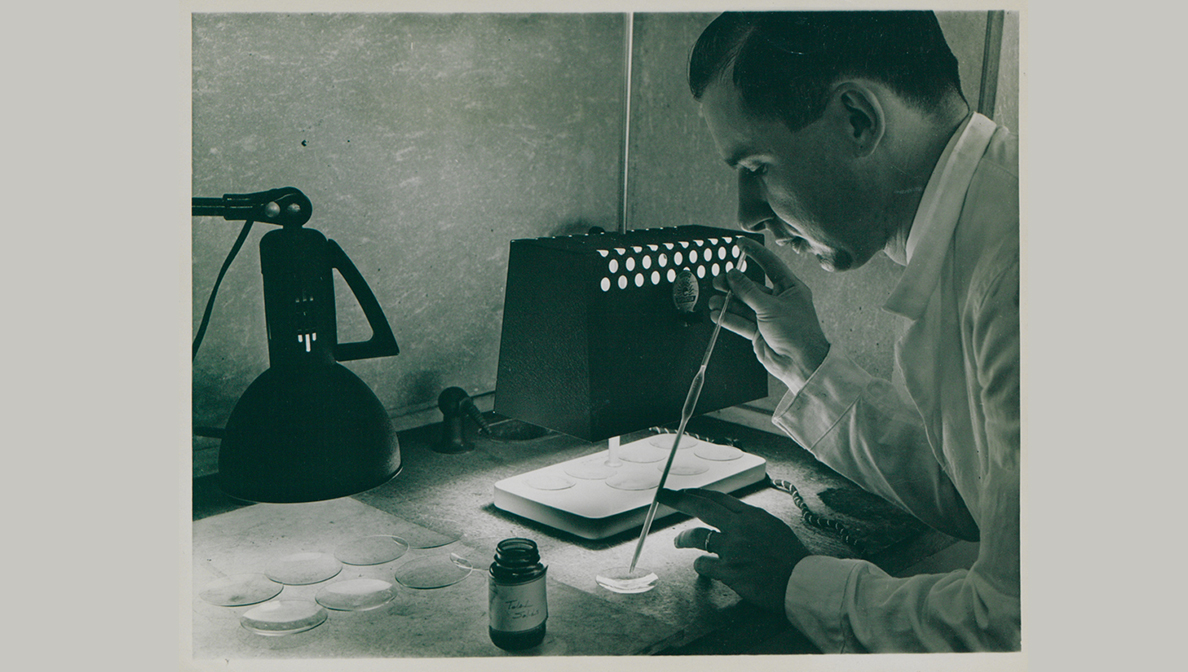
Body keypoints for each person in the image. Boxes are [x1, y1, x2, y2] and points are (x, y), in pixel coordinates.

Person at [656, 11, 1020, 652]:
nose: (747, 214)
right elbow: (976, 498)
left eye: (758, 166)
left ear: (857, 118)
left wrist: (797, 580)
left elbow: (1018, 620)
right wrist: (808, 366)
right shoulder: (974, 231)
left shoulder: (1021, 260)